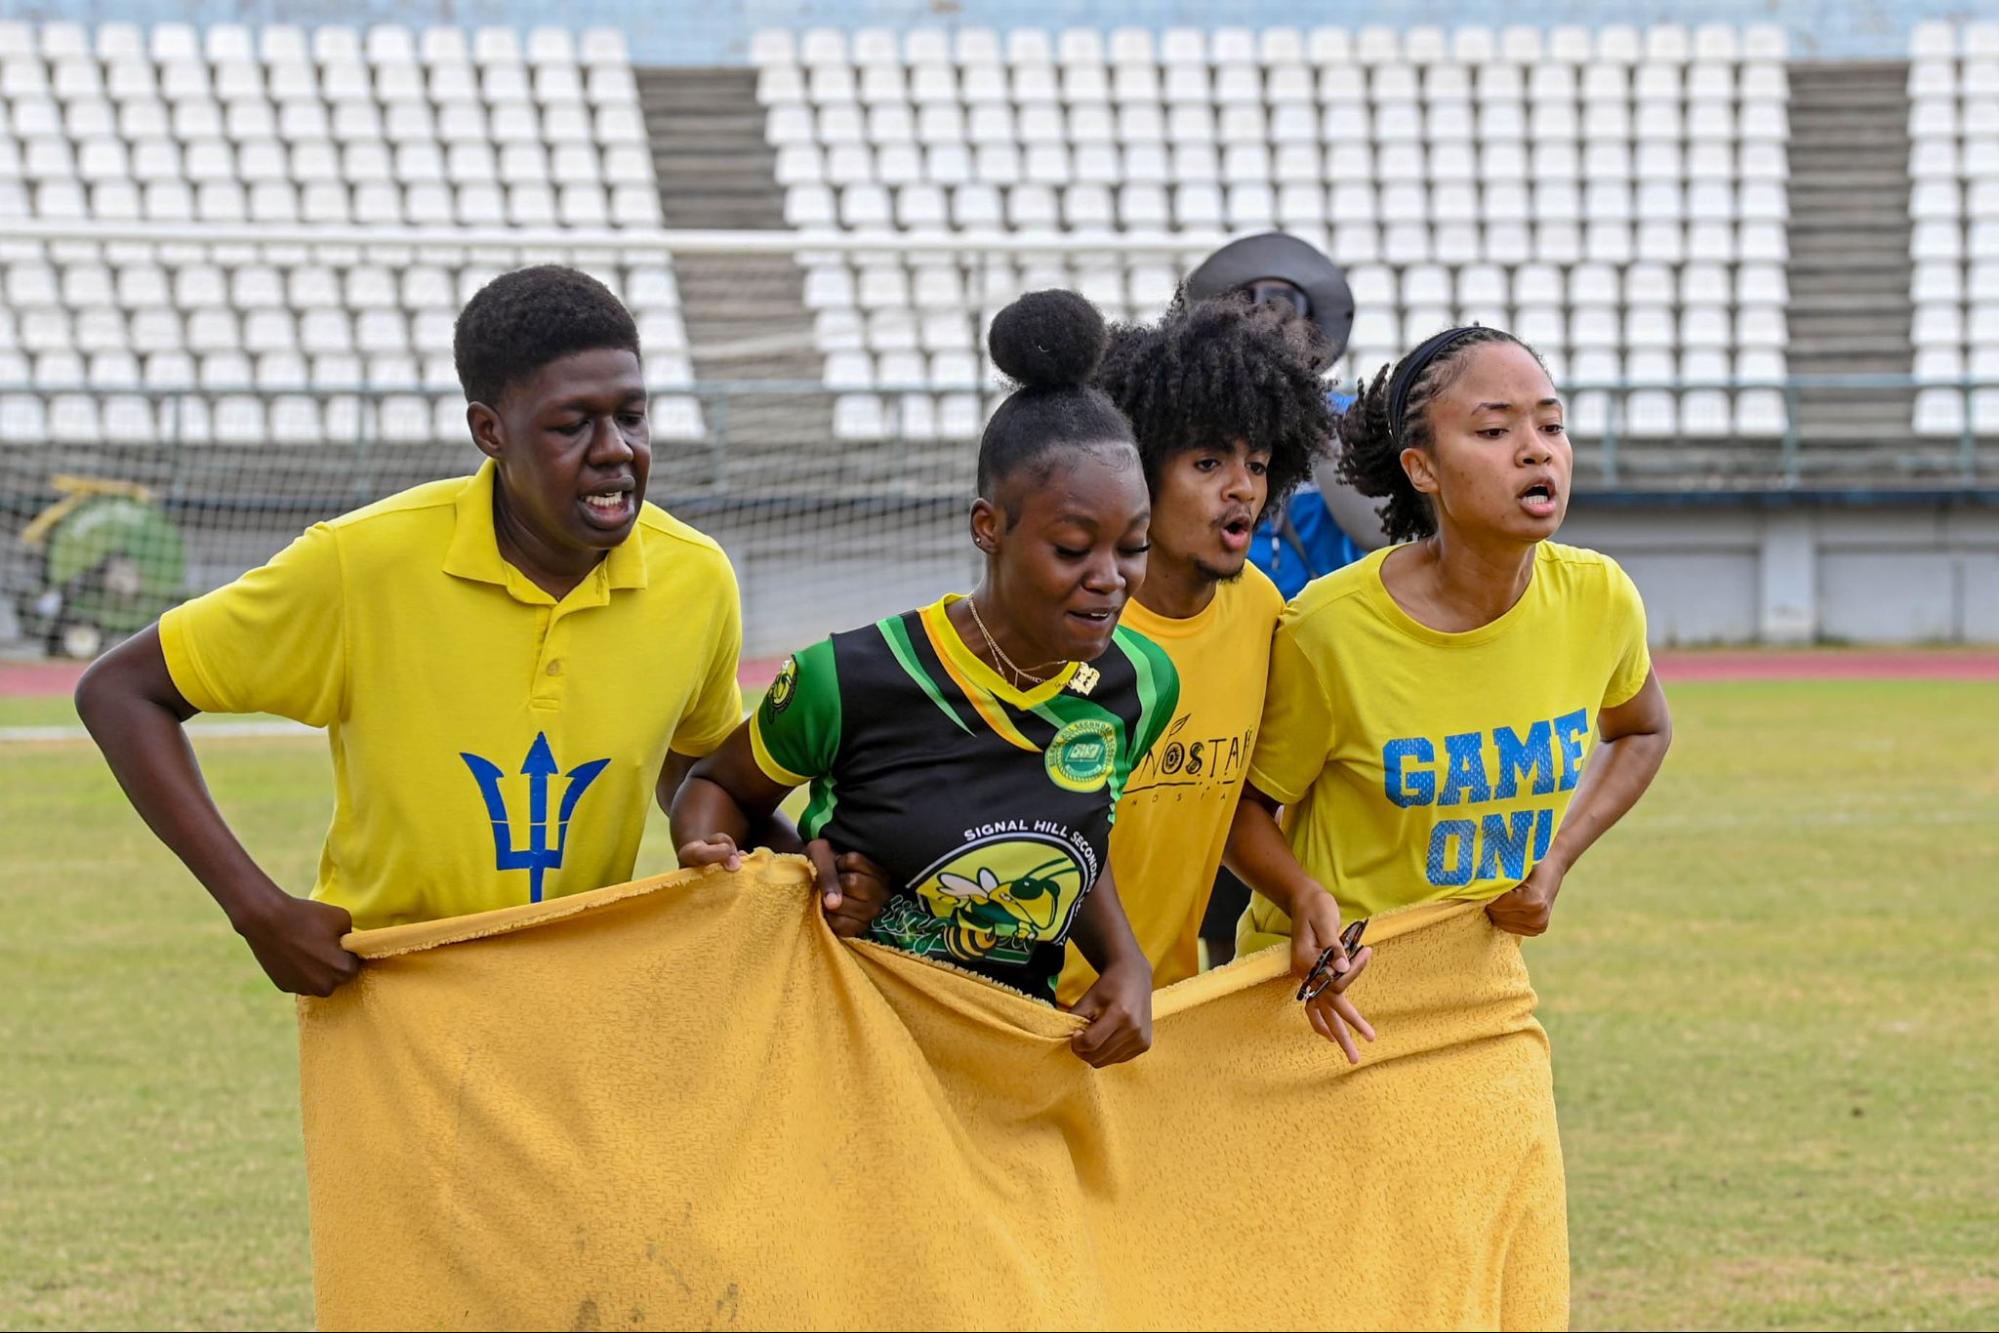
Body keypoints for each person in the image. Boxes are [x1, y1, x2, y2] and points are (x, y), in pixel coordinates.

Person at [73, 265, 874, 997]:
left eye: (631, 416)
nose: (616, 451)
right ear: (490, 431)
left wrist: (781, 854)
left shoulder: (694, 577)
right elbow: (121, 690)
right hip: (392, 993)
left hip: (585, 992)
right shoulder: (360, 564)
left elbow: (695, 770)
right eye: (572, 426)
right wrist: (258, 909)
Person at [670, 290, 1177, 1068]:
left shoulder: (1141, 684)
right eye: (1073, 548)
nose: (1110, 578)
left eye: (1133, 545)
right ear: (989, 527)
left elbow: (1080, 828)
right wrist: (784, 879)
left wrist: (1124, 960)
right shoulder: (847, 676)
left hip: (1007, 1061)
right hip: (841, 1053)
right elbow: (717, 788)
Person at [1224, 325, 1673, 1060]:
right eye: (1494, 429)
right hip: (1324, 998)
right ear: (1421, 468)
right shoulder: (1329, 630)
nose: (1535, 449)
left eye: (1551, 425)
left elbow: (1640, 729)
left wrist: (1553, 860)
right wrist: (1302, 897)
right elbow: (1240, 805)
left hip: (1481, 989)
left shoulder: (1599, 598)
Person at [1054, 292, 1362, 1027]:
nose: (1241, 488)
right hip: (1021, 1005)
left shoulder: (1261, 612)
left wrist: (1300, 892)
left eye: (1257, 464)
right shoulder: (1062, 623)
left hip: (1158, 1013)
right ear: (1133, 470)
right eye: (1206, 461)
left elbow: (1221, 803)